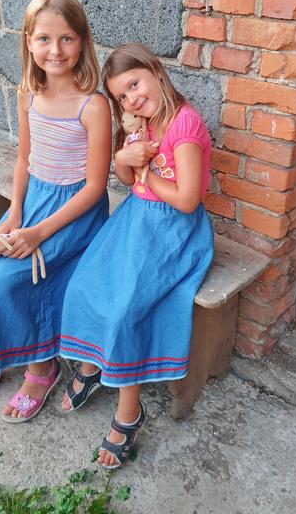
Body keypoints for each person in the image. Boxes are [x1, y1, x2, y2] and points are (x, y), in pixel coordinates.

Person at [0, 0, 112, 423]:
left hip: (74, 214)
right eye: (44, 39)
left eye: (67, 38)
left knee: (14, 281)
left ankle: (41, 369)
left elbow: (95, 188)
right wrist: (15, 214)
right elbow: (24, 161)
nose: (55, 50)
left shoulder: (93, 106)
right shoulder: (28, 95)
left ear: (83, 41)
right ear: (28, 42)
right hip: (32, 201)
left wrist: (38, 232)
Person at [59, 42, 214, 467]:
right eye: (121, 96)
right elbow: (128, 181)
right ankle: (93, 365)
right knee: (86, 282)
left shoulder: (184, 125)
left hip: (175, 231)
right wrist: (123, 158)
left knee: (125, 308)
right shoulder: (140, 123)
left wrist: (145, 171)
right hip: (135, 220)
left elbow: (187, 200)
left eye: (134, 84)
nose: (131, 99)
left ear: (156, 71)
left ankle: (129, 411)